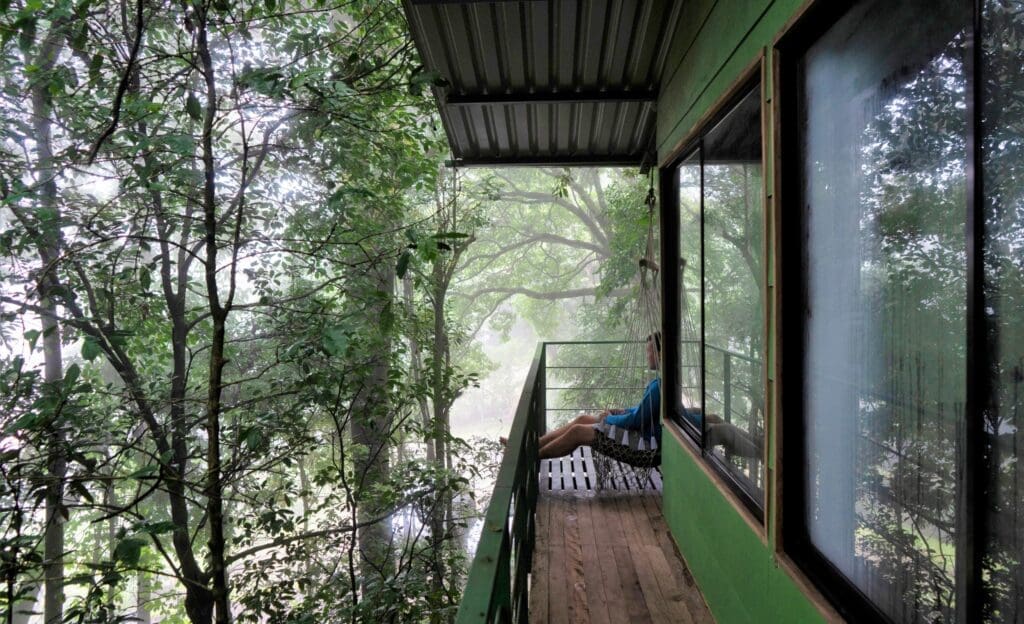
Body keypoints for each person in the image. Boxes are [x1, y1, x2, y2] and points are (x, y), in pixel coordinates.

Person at [535, 333, 662, 460]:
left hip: (645, 445)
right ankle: (537, 444)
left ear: (660, 354)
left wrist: (607, 419)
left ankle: (534, 456)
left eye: (649, 351)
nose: (647, 356)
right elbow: (644, 410)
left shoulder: (658, 387)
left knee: (577, 431)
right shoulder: (661, 383)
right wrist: (621, 411)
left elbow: (636, 420)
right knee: (583, 419)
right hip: (642, 434)